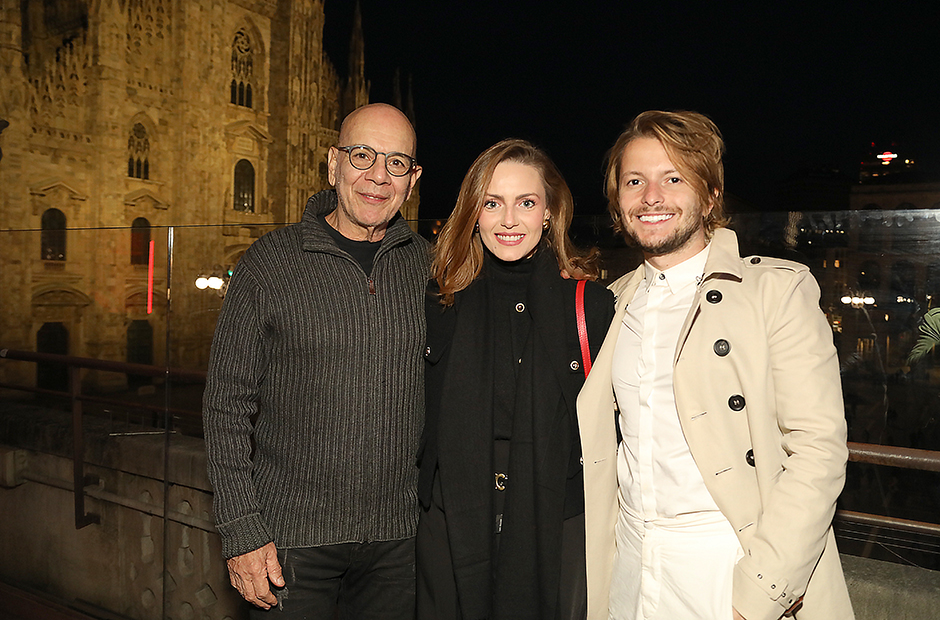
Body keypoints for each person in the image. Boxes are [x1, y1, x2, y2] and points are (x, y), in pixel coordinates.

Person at [577, 111, 855, 620]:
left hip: (728, 564)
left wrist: (761, 592)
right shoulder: (609, 305)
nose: (651, 196)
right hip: (629, 565)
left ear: (709, 196)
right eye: (634, 181)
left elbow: (818, 449)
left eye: (674, 178)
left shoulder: (776, 292)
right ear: (617, 201)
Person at [203, 103, 428, 619]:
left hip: (398, 545)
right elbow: (225, 408)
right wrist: (242, 531)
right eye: (362, 155)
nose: (377, 176)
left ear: (412, 180)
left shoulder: (429, 267)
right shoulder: (269, 263)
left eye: (396, 162)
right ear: (333, 164)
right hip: (290, 547)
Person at [417, 139, 615, 620]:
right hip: (452, 519)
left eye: (526, 202)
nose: (510, 220)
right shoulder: (438, 298)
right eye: (492, 203)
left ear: (549, 212)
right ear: (473, 213)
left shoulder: (589, 305)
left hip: (556, 516)